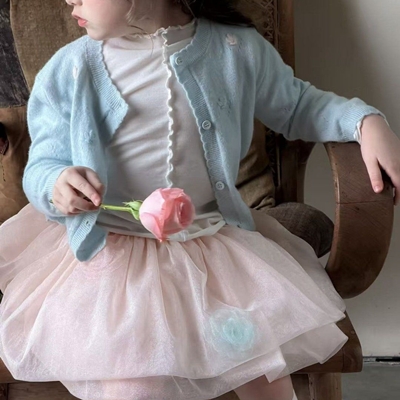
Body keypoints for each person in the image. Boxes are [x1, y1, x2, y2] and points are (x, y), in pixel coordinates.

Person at [0, 0, 399, 399]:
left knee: (263, 371)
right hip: (110, 259)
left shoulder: (236, 49)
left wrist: (365, 122)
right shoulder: (70, 69)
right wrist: (56, 184)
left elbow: (299, 106)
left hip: (210, 247)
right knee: (132, 385)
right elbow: (42, 165)